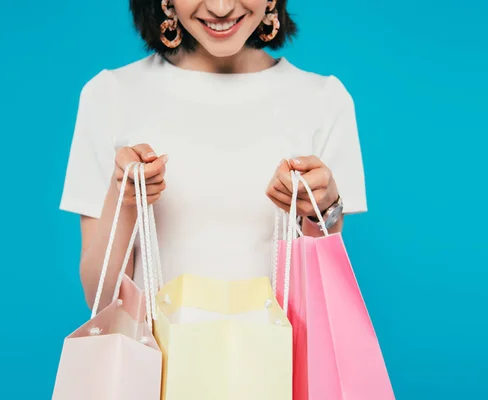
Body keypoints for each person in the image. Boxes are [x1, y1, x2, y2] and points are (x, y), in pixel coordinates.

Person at [60, 0, 367, 311]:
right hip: (157, 358)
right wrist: (125, 197)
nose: (221, 7)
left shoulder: (324, 101)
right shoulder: (110, 95)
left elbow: (319, 303)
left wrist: (321, 211)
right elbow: (102, 302)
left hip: (277, 357)